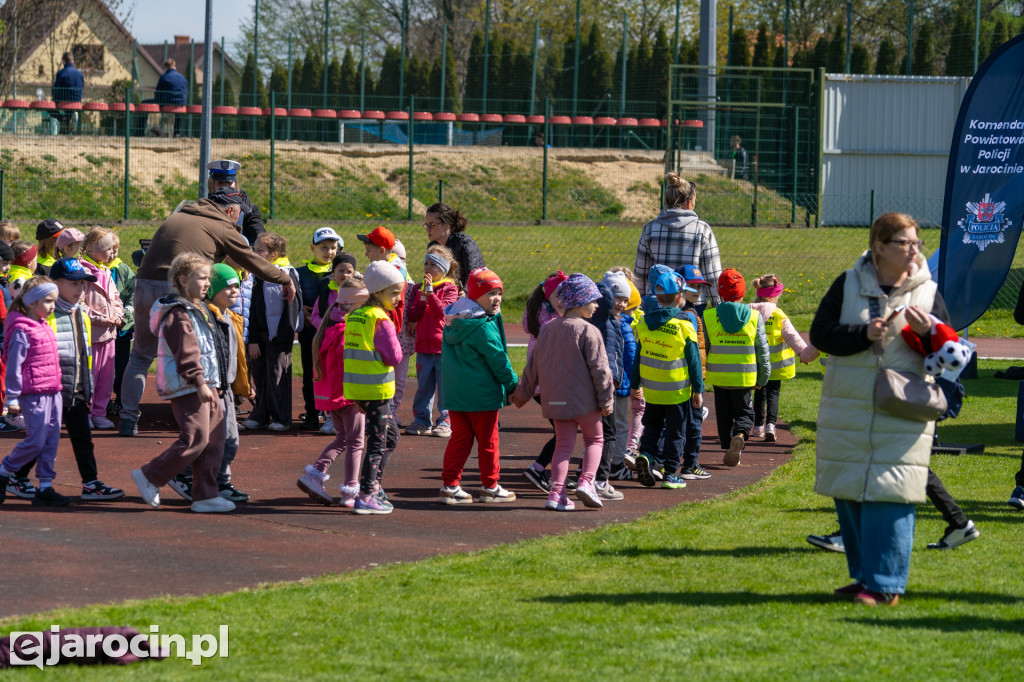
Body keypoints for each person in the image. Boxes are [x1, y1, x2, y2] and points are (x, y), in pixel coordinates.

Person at [810, 212, 948, 606]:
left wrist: (929, 334)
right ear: (879, 246)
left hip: (901, 410)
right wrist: (861, 334)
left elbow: (952, 357)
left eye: (917, 243)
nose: (913, 250)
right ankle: (866, 576)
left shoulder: (928, 292)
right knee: (850, 493)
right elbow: (820, 334)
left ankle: (886, 585)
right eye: (905, 242)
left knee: (892, 496)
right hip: (847, 406)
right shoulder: (848, 283)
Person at [119, 187, 294, 437]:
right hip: (177, 289)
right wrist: (283, 278)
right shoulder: (222, 226)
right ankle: (195, 418)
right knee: (196, 353)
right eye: (238, 215)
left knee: (140, 356)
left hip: (144, 284)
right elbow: (249, 260)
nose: (238, 220)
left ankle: (128, 419)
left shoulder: (177, 216)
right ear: (231, 210)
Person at [131, 253, 234, 513]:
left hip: (208, 383)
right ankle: (150, 475)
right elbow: (186, 352)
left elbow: (212, 348)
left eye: (208, 278)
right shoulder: (178, 312)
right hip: (190, 385)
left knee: (214, 441)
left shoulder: (199, 307)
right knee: (195, 439)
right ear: (182, 279)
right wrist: (199, 382)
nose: (207, 284)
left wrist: (215, 382)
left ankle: (205, 496)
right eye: (201, 278)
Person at [512, 274, 614, 512]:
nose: (597, 305)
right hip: (585, 403)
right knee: (595, 439)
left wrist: (523, 393)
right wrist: (606, 399)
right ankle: (587, 482)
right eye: (593, 300)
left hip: (556, 401)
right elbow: (601, 370)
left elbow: (533, 366)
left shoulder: (547, 330)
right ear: (579, 302)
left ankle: (557, 494)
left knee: (563, 446)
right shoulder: (589, 331)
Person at [438, 267, 519, 505]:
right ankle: (490, 486)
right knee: (488, 442)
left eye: (499, 293)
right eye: (490, 293)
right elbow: (499, 360)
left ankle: (450, 485)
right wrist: (513, 385)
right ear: (474, 296)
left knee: (460, 440)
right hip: (481, 395)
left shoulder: (454, 321)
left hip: (456, 395)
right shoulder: (482, 326)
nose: (497, 299)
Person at [297, 275, 368, 508]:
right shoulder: (349, 331)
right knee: (356, 442)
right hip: (349, 395)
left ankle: (315, 473)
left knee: (343, 438)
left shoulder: (331, 325)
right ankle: (350, 491)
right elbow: (348, 366)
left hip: (333, 396)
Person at [631, 272, 704, 490]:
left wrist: (635, 384)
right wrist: (698, 390)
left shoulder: (643, 324)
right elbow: (694, 362)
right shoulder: (684, 326)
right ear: (680, 295)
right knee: (675, 433)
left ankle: (646, 454)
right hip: (677, 391)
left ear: (657, 297)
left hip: (652, 389)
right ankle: (671, 473)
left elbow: (638, 357)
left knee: (652, 427)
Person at [343, 260, 405, 515]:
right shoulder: (380, 319)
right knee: (378, 443)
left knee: (390, 436)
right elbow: (395, 356)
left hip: (359, 388)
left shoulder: (355, 316)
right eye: (393, 293)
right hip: (377, 390)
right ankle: (366, 493)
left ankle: (373, 486)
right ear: (378, 292)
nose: (399, 299)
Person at [0, 278, 64, 506]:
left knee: (51, 440)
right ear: (30, 302)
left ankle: (45, 487)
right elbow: (14, 365)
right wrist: (13, 397)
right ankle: (4, 471)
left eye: (54, 301)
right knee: (36, 441)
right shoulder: (21, 329)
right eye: (47, 301)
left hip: (53, 391)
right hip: (33, 394)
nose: (52, 306)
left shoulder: (43, 325)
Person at [704, 268, 770, 468]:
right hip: (744, 376)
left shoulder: (709, 316)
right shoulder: (754, 316)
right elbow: (762, 349)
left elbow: (704, 346)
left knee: (723, 413)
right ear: (743, 293)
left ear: (720, 292)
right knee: (744, 413)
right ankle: (740, 435)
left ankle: (728, 446)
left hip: (719, 375)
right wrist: (763, 378)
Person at [748, 274, 819, 441]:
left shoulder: (748, 311)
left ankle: (758, 426)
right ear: (775, 295)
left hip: (756, 364)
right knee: (773, 393)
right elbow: (792, 337)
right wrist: (804, 353)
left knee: (759, 393)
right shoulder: (779, 315)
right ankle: (771, 425)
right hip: (776, 365)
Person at [634, 173, 722, 306]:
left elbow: (640, 274)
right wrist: (719, 307)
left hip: (658, 301)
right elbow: (713, 275)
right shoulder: (702, 230)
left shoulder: (650, 229)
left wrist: (639, 304)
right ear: (689, 202)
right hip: (692, 303)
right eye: (694, 200)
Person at [244, 233, 302, 431]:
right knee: (260, 376)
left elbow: (292, 308)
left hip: (279, 337)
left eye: (260, 250)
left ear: (274, 254)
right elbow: (251, 307)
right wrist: (252, 339)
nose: (255, 253)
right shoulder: (255, 274)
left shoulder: (287, 273)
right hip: (258, 336)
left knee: (278, 375)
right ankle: (260, 414)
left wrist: (284, 337)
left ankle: (280, 418)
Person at [405, 245, 460, 438]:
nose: (428, 267)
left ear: (444, 269)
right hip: (423, 347)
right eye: (426, 263)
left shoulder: (450, 288)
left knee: (445, 387)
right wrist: (422, 298)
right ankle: (421, 421)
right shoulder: (418, 288)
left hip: (443, 347)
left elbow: (443, 313)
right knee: (423, 387)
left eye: (433, 264)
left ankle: (445, 421)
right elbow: (412, 313)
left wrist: (430, 294)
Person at [520, 271, 567, 493]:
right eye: (559, 295)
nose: (563, 301)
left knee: (563, 432)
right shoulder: (551, 320)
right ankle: (538, 468)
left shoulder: (538, 313)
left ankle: (544, 469)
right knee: (563, 433)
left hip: (542, 386)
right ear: (548, 296)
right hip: (549, 385)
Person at [296, 227, 341, 431]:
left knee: (331, 372)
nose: (329, 252)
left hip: (332, 334)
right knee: (309, 373)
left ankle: (332, 413)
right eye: (324, 247)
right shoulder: (299, 274)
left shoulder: (339, 273)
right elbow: (292, 300)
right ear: (312, 248)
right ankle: (312, 414)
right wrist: (300, 311)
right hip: (309, 333)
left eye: (333, 247)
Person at [79, 228, 124, 429]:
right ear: (95, 249)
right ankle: (85, 414)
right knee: (90, 377)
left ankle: (99, 412)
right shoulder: (82, 272)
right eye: (109, 250)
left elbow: (115, 298)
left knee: (106, 378)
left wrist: (119, 315)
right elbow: (79, 305)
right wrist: (102, 318)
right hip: (92, 336)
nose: (112, 254)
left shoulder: (106, 271)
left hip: (109, 335)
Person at [106, 232, 135, 419]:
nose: (113, 254)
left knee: (122, 364)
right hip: (103, 329)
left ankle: (121, 397)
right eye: (109, 250)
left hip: (123, 328)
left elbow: (133, 290)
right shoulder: (93, 269)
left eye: (115, 250)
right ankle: (103, 398)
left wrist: (129, 309)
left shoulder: (123, 269)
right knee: (103, 365)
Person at [423, 203, 485, 289]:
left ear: (447, 225)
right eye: (427, 225)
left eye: (432, 225)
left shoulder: (464, 243)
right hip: (445, 296)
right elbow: (430, 276)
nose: (427, 229)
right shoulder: (433, 246)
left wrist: (465, 293)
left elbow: (474, 275)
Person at [205, 160, 266, 245]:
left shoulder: (249, 210)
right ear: (212, 186)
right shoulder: (204, 208)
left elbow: (258, 235)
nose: (225, 187)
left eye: (229, 183)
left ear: (236, 185)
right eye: (220, 183)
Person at [155, 58, 188, 138]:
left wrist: (157, 102)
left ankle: (140, 131)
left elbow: (158, 92)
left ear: (166, 67)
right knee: (178, 114)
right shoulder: (183, 78)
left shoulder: (164, 77)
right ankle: (177, 133)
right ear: (174, 65)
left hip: (167, 102)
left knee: (144, 104)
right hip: (181, 103)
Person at [52, 52, 84, 134]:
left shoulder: (61, 73)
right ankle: (66, 126)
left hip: (64, 100)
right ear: (72, 61)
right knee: (69, 112)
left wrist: (54, 99)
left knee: (49, 107)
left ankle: (62, 119)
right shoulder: (80, 74)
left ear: (63, 61)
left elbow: (56, 88)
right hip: (77, 100)